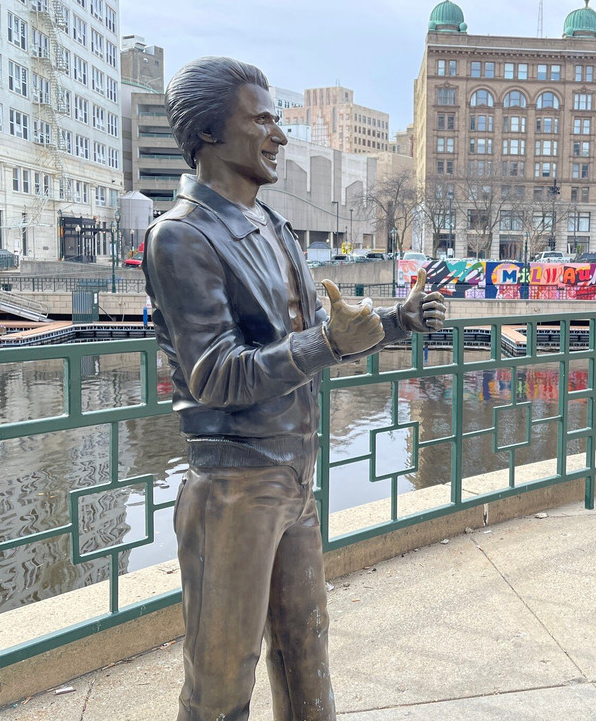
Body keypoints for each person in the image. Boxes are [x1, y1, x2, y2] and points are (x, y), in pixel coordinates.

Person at [143, 56, 445, 721]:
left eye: (276, 119)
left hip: (293, 476)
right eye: (261, 120)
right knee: (220, 683)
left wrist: (397, 320)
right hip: (233, 488)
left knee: (306, 652)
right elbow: (216, 374)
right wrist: (329, 342)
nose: (278, 135)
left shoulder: (273, 226)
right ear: (209, 133)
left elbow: (309, 336)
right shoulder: (180, 237)